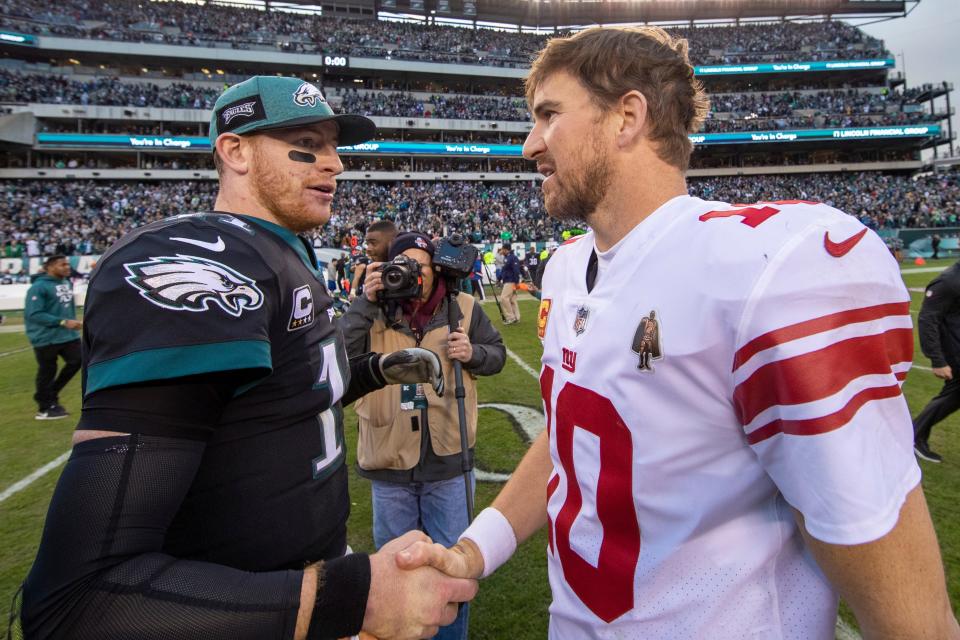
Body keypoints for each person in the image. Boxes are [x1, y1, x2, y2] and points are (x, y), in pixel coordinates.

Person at [398, 26, 960, 639]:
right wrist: (473, 552)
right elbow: (569, 440)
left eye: (549, 115)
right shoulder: (564, 269)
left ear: (627, 116)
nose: (530, 145)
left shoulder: (766, 270)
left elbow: (912, 619)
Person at [20, 76, 477, 640]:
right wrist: (349, 597)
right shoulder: (208, 258)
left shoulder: (284, 252)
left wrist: (373, 370)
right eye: (308, 143)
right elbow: (80, 600)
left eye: (336, 146)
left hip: (297, 581)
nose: (335, 164)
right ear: (234, 150)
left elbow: (279, 398)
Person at [340, 231, 506, 640]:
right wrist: (366, 299)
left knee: (450, 569)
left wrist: (474, 354)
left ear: (437, 269)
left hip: (449, 460)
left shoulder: (463, 307)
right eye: (405, 265)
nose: (415, 274)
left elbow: (497, 354)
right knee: (397, 571)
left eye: (423, 265)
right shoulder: (371, 311)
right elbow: (337, 359)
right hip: (389, 460)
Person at [912, 261, 960, 463]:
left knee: (954, 396)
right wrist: (937, 360)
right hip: (954, 351)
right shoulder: (949, 281)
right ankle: (914, 436)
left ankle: (915, 435)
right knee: (953, 395)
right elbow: (927, 319)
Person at [24, 254, 82, 420]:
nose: (67, 267)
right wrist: (63, 321)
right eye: (62, 265)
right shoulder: (38, 287)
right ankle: (44, 408)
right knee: (47, 372)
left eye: (67, 264)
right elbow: (34, 314)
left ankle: (51, 394)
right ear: (50, 267)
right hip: (45, 337)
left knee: (78, 360)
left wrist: (72, 323)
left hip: (67, 335)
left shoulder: (66, 283)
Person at [350, 219, 398, 300]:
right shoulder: (366, 263)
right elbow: (356, 276)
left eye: (373, 243)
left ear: (391, 243)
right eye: (368, 244)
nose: (368, 248)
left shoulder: (403, 268)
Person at [496, 245, 521, 324]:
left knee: (504, 298)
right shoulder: (507, 258)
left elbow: (516, 270)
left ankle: (510, 317)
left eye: (502, 249)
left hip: (511, 281)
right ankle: (516, 317)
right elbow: (504, 270)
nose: (501, 251)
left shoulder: (512, 258)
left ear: (506, 250)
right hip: (509, 281)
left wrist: (516, 282)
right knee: (512, 300)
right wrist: (499, 278)